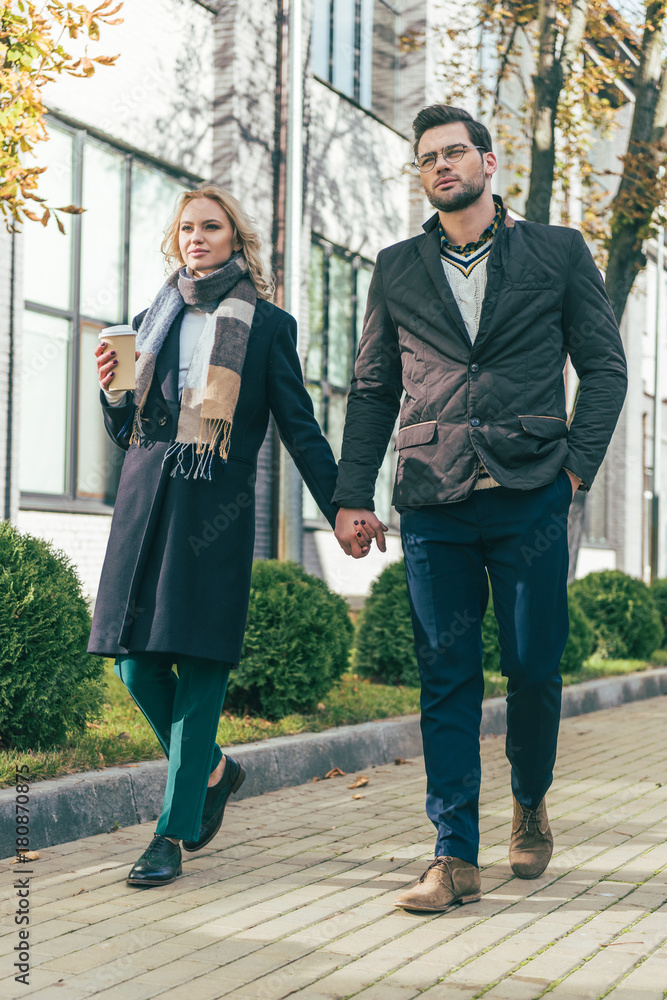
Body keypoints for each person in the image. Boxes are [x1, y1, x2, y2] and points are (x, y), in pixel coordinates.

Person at [333, 105, 627, 912]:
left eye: (453, 152)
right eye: (425, 157)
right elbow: (371, 389)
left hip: (531, 491)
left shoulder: (558, 251)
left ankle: (529, 800)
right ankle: (451, 853)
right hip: (434, 497)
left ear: (488, 163)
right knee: (445, 675)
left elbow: (603, 369)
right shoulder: (395, 268)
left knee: (533, 667)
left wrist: (573, 471)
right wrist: (351, 495)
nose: (439, 166)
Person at [88, 185, 338, 887]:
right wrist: (111, 388)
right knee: (133, 664)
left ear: (235, 239)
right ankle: (217, 771)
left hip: (214, 513)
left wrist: (345, 503)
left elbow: (300, 427)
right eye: (186, 228)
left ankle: (169, 833)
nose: (195, 237)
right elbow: (126, 430)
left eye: (210, 226)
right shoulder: (150, 319)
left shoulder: (266, 327)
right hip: (144, 507)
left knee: (198, 667)